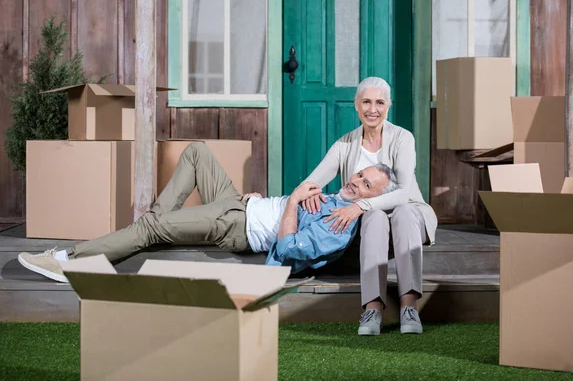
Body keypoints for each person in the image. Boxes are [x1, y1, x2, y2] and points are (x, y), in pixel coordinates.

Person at [18, 142, 397, 283]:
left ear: (372, 199)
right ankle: (153, 226)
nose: (356, 182)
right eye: (359, 175)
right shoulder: (336, 198)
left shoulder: (340, 226)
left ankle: (70, 262)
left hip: (235, 226)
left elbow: (287, 250)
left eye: (366, 186)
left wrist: (295, 201)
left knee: (152, 229)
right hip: (242, 204)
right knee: (196, 151)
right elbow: (287, 208)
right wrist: (268, 200)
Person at [300, 76, 438, 336]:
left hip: (410, 213)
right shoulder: (345, 144)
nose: (372, 109)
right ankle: (373, 308)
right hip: (372, 222)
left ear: (388, 106)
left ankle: (409, 307)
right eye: (366, 102)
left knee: (403, 211)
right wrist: (297, 195)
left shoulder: (402, 138)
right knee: (374, 216)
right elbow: (312, 181)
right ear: (356, 104)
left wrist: (360, 204)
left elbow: (402, 193)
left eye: (379, 102)